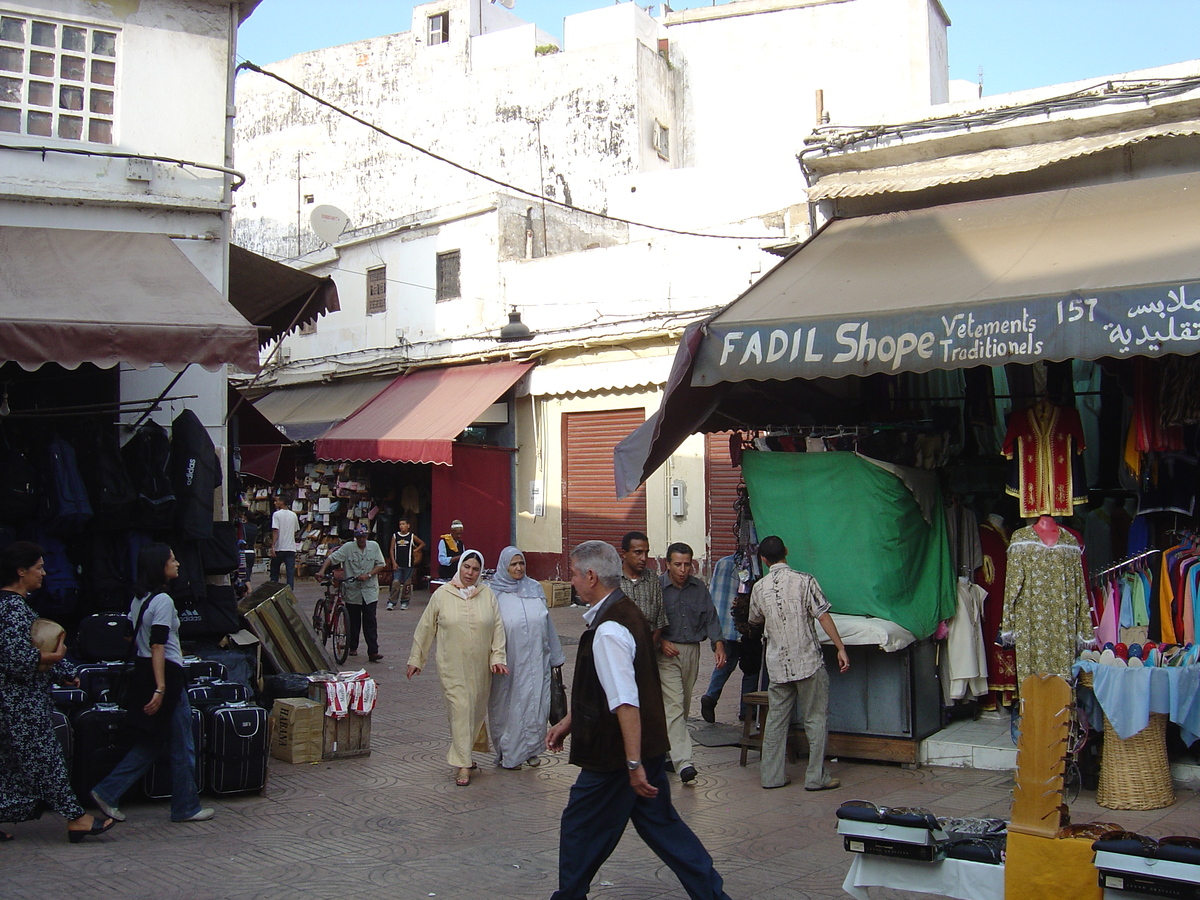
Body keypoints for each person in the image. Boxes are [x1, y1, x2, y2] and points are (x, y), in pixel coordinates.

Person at [546, 541, 733, 900]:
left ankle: (569, 895)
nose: (571, 580)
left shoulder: (610, 629)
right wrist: (570, 721)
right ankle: (711, 894)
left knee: (579, 826)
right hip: (643, 747)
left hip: (616, 756)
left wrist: (633, 765)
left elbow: (625, 702)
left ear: (590, 575)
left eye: (572, 573)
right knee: (661, 826)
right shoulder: (625, 611)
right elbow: (608, 688)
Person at [0, 541, 117, 843]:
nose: (44, 573)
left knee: (10, 765)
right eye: (38, 567)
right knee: (46, 760)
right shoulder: (13, 610)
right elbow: (19, 659)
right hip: (20, 703)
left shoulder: (10, 607)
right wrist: (54, 661)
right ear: (20, 571)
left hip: (13, 702)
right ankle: (76, 818)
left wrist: (63, 672)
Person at [91, 543, 214, 823]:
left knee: (153, 741)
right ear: (160, 566)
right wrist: (161, 688)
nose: (178, 563)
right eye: (172, 559)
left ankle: (108, 791)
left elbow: (129, 636)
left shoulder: (139, 599)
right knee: (182, 745)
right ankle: (185, 806)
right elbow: (159, 644)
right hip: (166, 675)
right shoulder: (163, 601)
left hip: (144, 670)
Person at [748, 535, 849, 791]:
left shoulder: (759, 588)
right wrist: (840, 648)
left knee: (775, 722)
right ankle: (815, 777)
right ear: (787, 552)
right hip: (808, 661)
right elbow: (823, 616)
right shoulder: (805, 581)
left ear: (763, 559)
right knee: (815, 719)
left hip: (778, 666)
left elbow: (754, 619)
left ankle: (771, 777)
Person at [407, 550, 508, 786]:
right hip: (451, 666)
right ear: (459, 567)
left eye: (475, 569)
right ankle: (463, 765)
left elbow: (498, 628)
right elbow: (425, 628)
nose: (470, 573)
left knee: (474, 709)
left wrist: (498, 657)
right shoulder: (442, 595)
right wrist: (416, 659)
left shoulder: (487, 594)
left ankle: (467, 753)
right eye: (467, 567)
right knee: (461, 708)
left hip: (481, 668)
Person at [488, 546, 566, 769]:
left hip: (536, 660)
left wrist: (555, 656)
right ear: (504, 566)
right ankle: (510, 753)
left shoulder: (534, 588)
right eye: (513, 564)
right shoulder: (493, 593)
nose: (518, 568)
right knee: (508, 708)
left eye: (521, 563)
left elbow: (547, 623)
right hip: (508, 664)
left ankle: (532, 749)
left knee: (537, 705)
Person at [657, 542, 725, 784]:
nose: (683, 570)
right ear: (667, 564)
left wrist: (718, 643)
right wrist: (660, 642)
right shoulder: (658, 588)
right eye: (678, 564)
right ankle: (684, 762)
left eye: (687, 564)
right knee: (674, 704)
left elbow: (711, 616)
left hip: (691, 651)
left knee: (683, 704)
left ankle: (666, 752)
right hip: (666, 654)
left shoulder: (699, 589)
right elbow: (648, 621)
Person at [700, 554, 756, 724]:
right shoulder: (753, 567)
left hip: (722, 624)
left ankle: (711, 696)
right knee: (751, 669)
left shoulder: (722, 562)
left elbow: (714, 594)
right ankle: (747, 711)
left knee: (724, 664)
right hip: (744, 626)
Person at [316, 527, 387, 662]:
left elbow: (380, 564)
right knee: (353, 621)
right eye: (359, 537)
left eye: (363, 537)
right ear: (355, 538)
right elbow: (332, 558)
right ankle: (352, 647)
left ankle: (373, 651)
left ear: (367, 536)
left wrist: (368, 575)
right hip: (352, 590)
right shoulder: (348, 548)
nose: (361, 540)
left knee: (370, 621)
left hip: (369, 590)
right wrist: (321, 571)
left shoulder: (374, 546)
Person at [618, 531, 668, 641]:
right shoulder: (612, 580)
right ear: (624, 554)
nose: (644, 558)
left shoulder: (652, 578)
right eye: (638, 552)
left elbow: (660, 620)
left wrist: (649, 649)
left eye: (646, 553)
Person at [387, 516, 426, 611]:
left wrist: (415, 550)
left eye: (403, 524)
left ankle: (405, 602)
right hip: (398, 564)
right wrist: (393, 562)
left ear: (408, 525)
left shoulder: (412, 536)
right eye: (400, 524)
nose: (401, 526)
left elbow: (422, 543)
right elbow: (391, 549)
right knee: (396, 583)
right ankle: (391, 602)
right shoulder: (395, 536)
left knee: (407, 584)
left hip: (408, 564)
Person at [269, 494, 300, 590]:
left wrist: (273, 546)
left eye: (276, 501)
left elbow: (275, 530)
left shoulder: (276, 514)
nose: (275, 503)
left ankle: (273, 590)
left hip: (279, 547)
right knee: (290, 573)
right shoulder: (293, 515)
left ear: (281, 502)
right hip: (290, 548)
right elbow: (295, 531)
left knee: (274, 572)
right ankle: (290, 591)